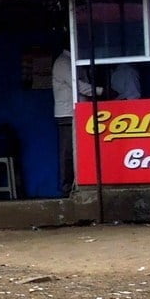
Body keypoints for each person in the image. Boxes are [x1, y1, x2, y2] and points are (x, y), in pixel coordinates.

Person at [52, 48, 100, 196]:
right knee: (68, 152)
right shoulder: (63, 62)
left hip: (79, 113)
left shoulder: (73, 62)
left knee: (78, 151)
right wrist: (101, 91)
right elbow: (78, 86)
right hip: (68, 113)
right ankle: (67, 188)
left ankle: (76, 184)